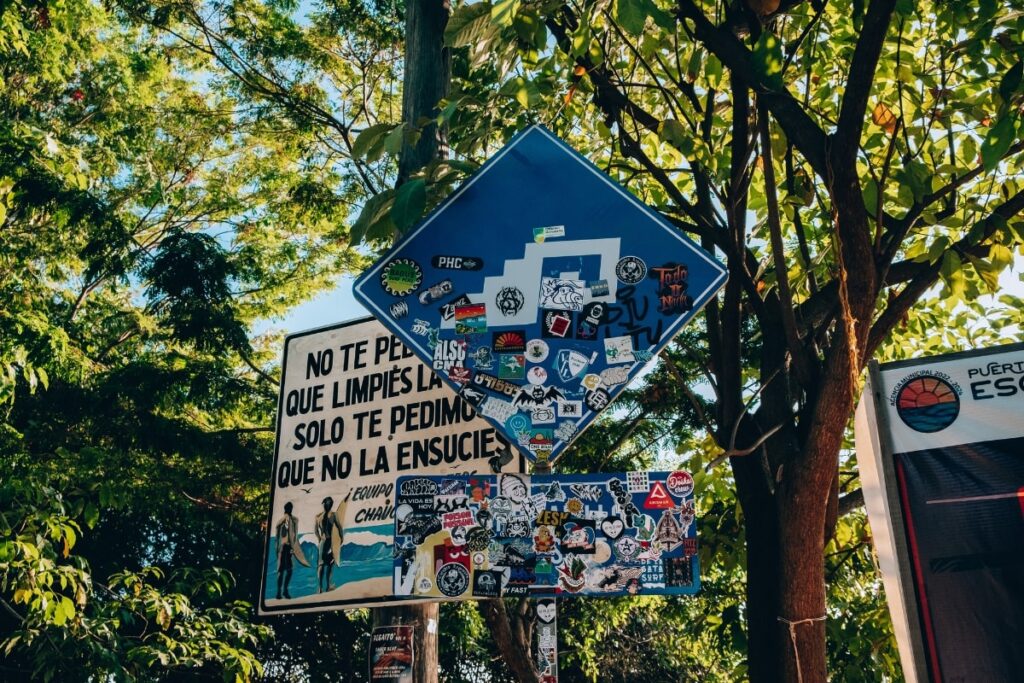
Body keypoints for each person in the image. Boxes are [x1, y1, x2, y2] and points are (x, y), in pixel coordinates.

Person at [315, 496, 344, 592]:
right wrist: (341, 538)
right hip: (330, 542)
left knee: (321, 565)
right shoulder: (334, 515)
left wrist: (319, 539)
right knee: (330, 564)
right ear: (331, 505)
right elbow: (339, 528)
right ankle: (328, 586)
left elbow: (315, 531)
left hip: (322, 543)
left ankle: (320, 588)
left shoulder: (318, 517)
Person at [275, 502, 298, 599]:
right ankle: (280, 592)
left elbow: (294, 535)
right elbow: (277, 536)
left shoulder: (294, 520)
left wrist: (293, 547)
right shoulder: (283, 520)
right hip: (283, 546)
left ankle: (284, 590)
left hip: (288, 546)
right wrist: (277, 548)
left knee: (289, 570)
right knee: (281, 570)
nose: (290, 509)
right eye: (289, 508)